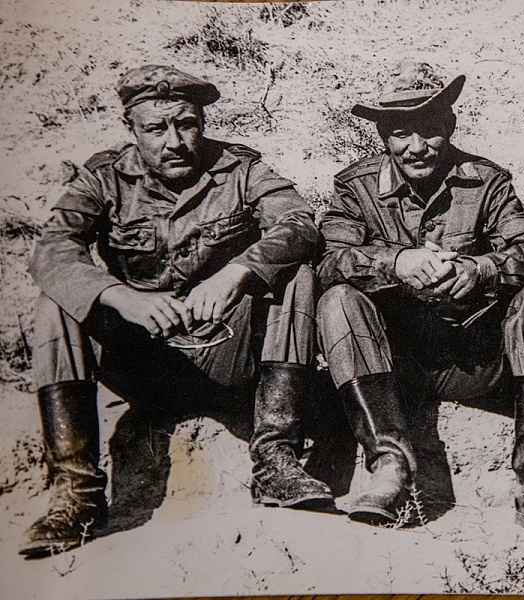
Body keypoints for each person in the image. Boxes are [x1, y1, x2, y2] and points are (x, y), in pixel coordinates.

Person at [22, 65, 332, 558]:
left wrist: (237, 272)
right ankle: (76, 491)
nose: (174, 142)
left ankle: (276, 458)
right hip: (141, 360)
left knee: (296, 275)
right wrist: (120, 296)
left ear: (202, 122)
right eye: (155, 128)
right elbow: (52, 249)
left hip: (226, 355)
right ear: (131, 127)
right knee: (58, 298)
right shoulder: (103, 178)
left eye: (186, 124)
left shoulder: (241, 170)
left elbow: (299, 223)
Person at [316, 61, 524, 536]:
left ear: (449, 124)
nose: (417, 147)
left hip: (477, 358)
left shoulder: (487, 181)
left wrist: (481, 269)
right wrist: (395, 263)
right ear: (383, 135)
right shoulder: (355, 187)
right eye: (401, 133)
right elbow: (328, 263)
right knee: (338, 300)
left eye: (429, 129)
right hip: (395, 362)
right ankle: (389, 465)